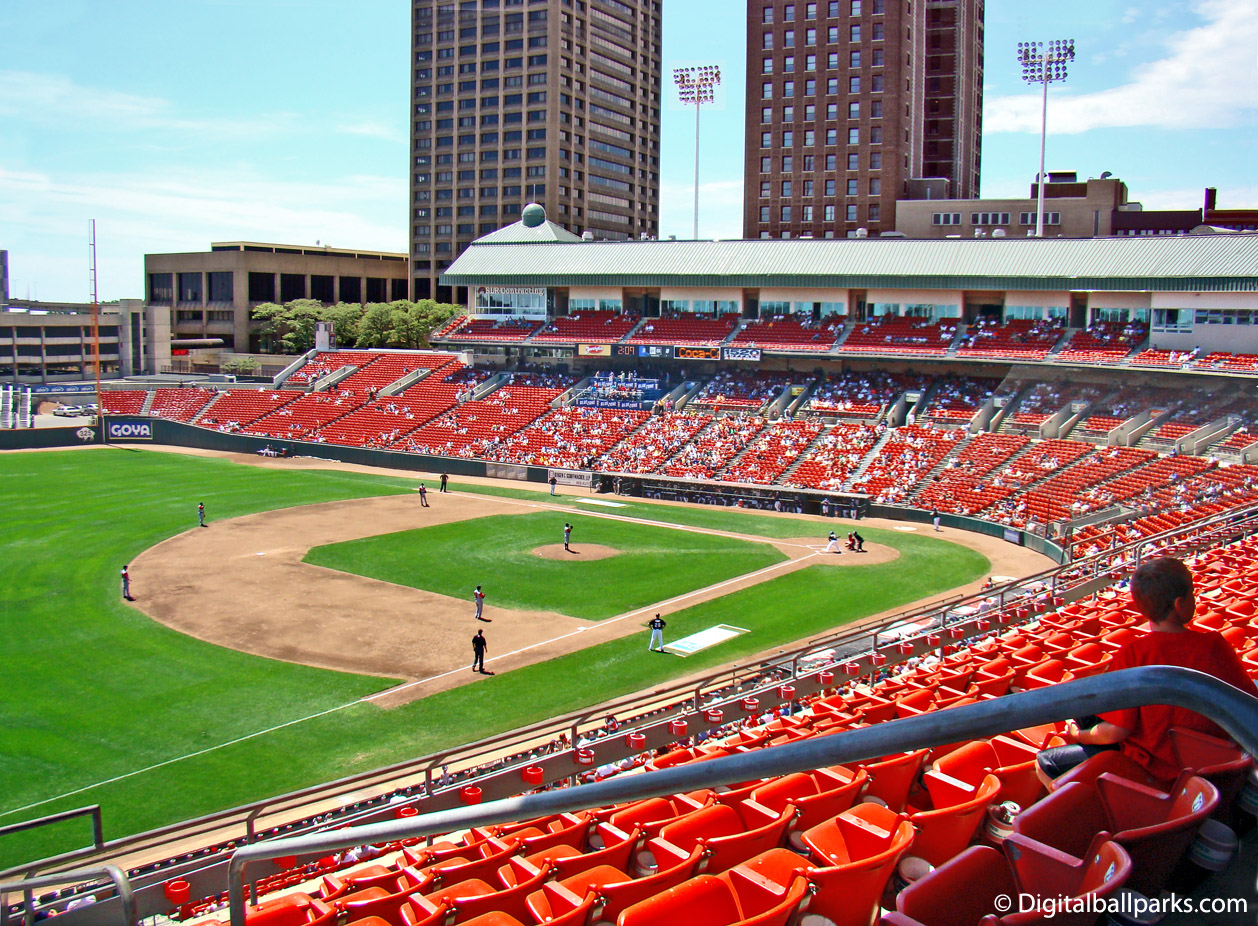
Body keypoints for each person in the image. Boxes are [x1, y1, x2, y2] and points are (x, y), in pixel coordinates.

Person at [1036, 557, 1254, 787]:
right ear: (1180, 604)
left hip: (1153, 770)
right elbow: (1248, 700)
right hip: (1213, 762)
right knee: (1087, 714)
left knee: (1045, 762)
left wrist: (1078, 735)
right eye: (1192, 593)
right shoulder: (1214, 645)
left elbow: (1116, 732)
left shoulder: (1134, 654)